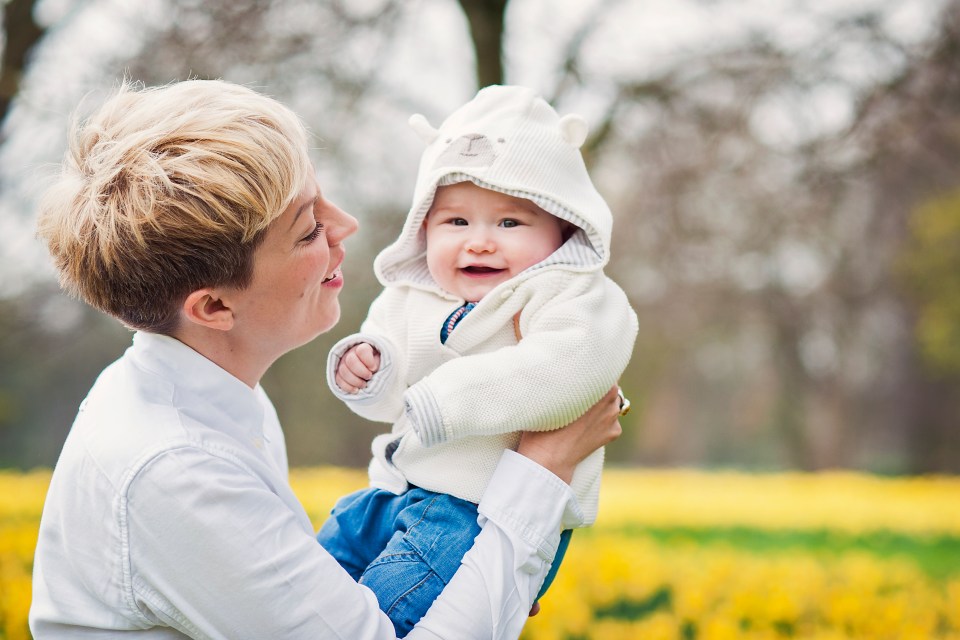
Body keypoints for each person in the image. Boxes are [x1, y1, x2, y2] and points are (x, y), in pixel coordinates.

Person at [28, 79, 624, 639]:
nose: (348, 226)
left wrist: (487, 583)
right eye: (309, 230)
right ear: (212, 307)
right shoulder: (178, 472)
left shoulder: (216, 396)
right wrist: (541, 475)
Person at [321, 85, 639, 635]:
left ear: (564, 227)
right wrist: (367, 368)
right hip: (387, 495)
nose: (480, 243)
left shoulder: (573, 296)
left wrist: (447, 399)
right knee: (308, 596)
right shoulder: (410, 296)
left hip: (473, 512)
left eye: (510, 223)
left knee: (385, 620)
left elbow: (567, 368)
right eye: (456, 223)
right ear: (423, 226)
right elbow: (390, 387)